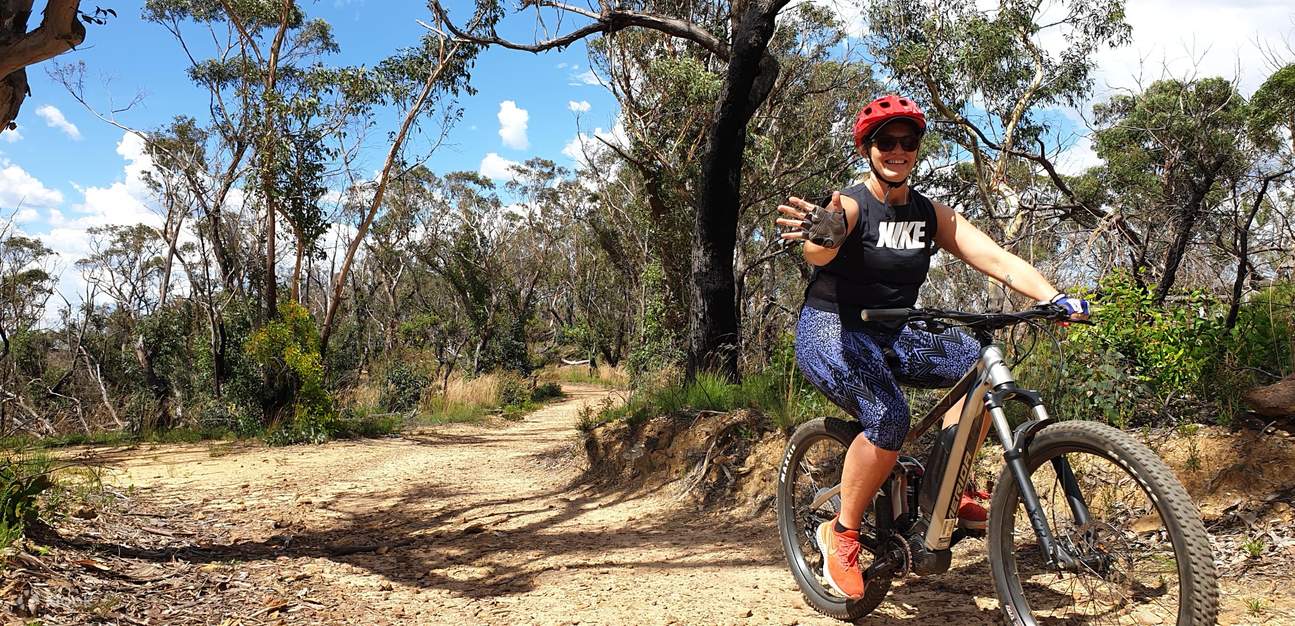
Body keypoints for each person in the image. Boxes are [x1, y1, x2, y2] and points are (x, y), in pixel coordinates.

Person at [775, 94, 1089, 600]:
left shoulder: (930, 215)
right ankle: (843, 532)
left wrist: (1053, 296)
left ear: (917, 149)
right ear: (867, 148)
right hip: (831, 329)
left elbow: (995, 257)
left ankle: (948, 489)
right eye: (885, 141)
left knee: (978, 369)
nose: (897, 149)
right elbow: (820, 247)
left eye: (908, 141)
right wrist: (825, 236)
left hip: (893, 329)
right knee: (888, 416)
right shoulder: (853, 205)